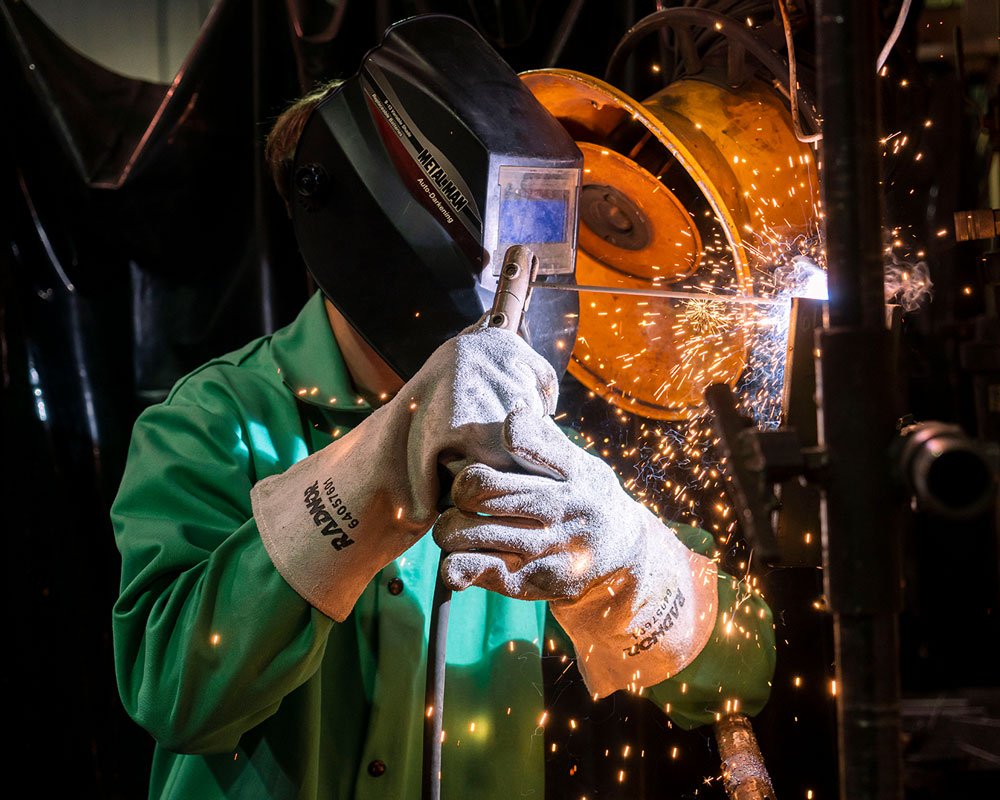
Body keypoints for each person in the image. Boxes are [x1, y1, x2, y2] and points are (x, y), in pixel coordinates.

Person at [112, 48, 775, 800]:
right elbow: (175, 696)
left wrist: (628, 562)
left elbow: (739, 672)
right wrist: (374, 469)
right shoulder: (215, 425)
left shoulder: (530, 445)